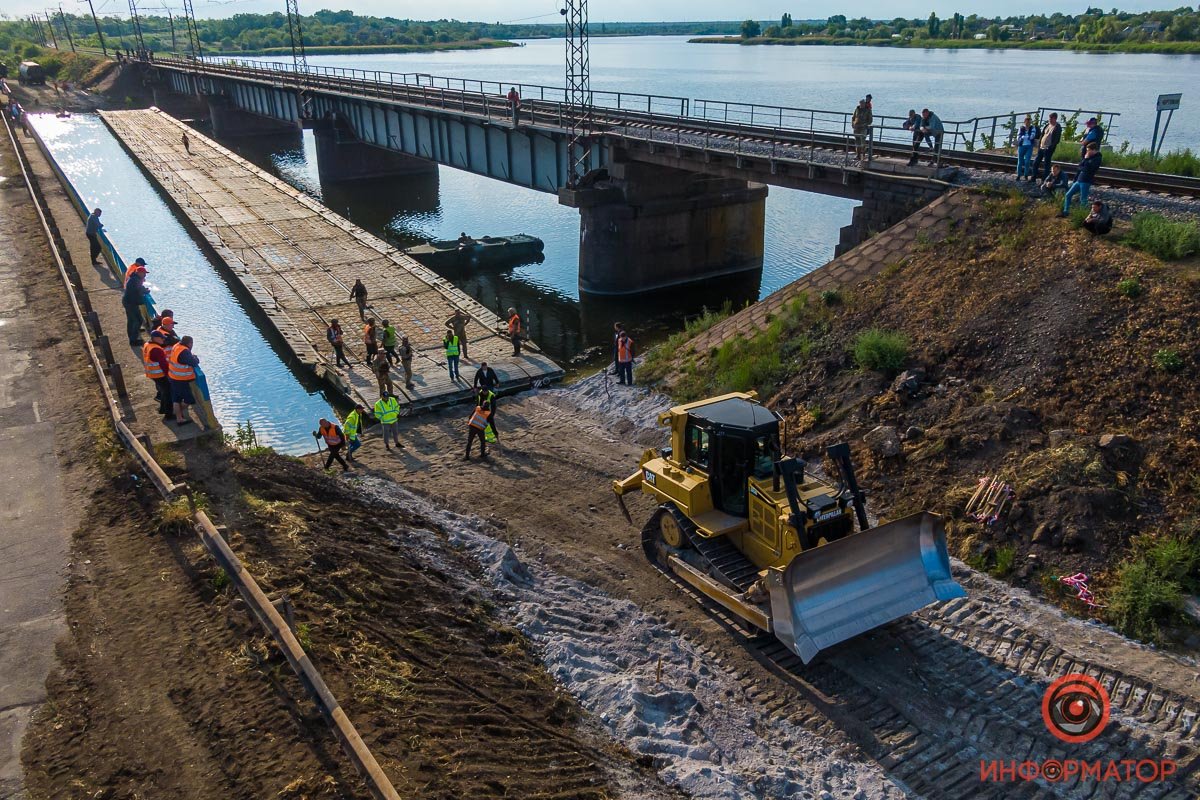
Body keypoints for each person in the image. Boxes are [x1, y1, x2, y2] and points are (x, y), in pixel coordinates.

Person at [1060, 142, 1102, 217]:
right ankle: (1066, 211)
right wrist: (1085, 162)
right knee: (1068, 195)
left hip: (1086, 181)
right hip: (1079, 180)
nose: (1087, 152)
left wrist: (1086, 160)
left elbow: (1088, 168)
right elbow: (1079, 166)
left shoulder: (1097, 158)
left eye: (1089, 150)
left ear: (1094, 150)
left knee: (1083, 199)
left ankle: (1082, 215)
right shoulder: (1087, 158)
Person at [168, 335, 200, 426]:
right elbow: (194, 362)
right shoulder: (184, 352)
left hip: (173, 376)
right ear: (190, 343)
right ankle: (177, 414)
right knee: (189, 399)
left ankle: (179, 418)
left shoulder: (177, 346)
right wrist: (195, 357)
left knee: (176, 399)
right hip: (180, 379)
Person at [142, 330, 172, 418]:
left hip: (152, 373)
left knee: (163, 391)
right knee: (168, 392)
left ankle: (162, 409)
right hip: (159, 374)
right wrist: (168, 375)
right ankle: (169, 414)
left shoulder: (147, 345)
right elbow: (163, 364)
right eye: (161, 338)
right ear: (155, 338)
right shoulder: (157, 349)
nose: (163, 340)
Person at [122, 262, 150, 345]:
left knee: (132, 320)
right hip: (130, 303)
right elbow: (140, 289)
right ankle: (133, 341)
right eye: (144, 273)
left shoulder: (134, 278)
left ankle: (132, 336)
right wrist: (146, 291)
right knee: (137, 320)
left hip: (129, 302)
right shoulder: (135, 280)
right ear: (139, 273)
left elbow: (139, 288)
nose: (145, 275)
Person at [1033, 112, 1061, 183]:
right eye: (1049, 118)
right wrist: (1039, 145)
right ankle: (1034, 177)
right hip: (1042, 147)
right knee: (1036, 162)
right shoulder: (1047, 125)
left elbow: (1056, 139)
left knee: (1046, 164)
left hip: (1048, 148)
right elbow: (1042, 135)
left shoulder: (1057, 127)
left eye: (1051, 118)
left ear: (1055, 118)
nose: (1050, 120)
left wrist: (1051, 147)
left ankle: (1044, 179)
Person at [1015, 116, 1038, 181]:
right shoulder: (1021, 128)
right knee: (1020, 161)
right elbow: (1019, 137)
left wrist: (1024, 137)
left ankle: (1026, 175)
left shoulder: (1033, 128)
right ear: (1024, 122)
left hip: (1029, 146)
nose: (1028, 123)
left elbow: (1032, 136)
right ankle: (1018, 175)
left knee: (1027, 161)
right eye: (1027, 122)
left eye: (1029, 122)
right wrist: (1024, 137)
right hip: (1021, 145)